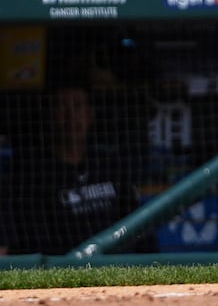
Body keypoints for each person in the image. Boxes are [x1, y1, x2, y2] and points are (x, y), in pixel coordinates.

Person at [0, 84, 154, 254]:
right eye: (62, 106)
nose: (71, 116)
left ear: (90, 114)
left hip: (115, 267)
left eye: (78, 106)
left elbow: (139, 227)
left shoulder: (109, 166)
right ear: (50, 115)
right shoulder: (30, 177)